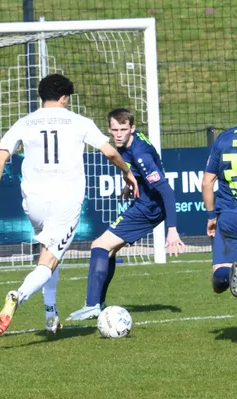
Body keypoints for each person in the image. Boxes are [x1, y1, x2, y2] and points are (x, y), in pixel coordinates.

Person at [0, 74, 138, 335]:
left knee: (48, 253)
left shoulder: (24, 122)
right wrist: (127, 172)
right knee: (49, 260)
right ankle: (18, 295)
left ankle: (50, 315)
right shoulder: (79, 121)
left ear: (42, 96)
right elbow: (110, 152)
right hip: (65, 201)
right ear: (64, 98)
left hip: (33, 202)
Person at [67, 108, 185, 321]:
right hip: (144, 202)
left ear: (133, 128)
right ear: (109, 129)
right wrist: (129, 183)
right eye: (114, 130)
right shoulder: (128, 143)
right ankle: (98, 303)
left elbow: (167, 191)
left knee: (99, 246)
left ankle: (92, 305)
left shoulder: (141, 154)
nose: (118, 134)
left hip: (149, 208)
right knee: (109, 250)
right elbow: (132, 167)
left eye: (123, 130)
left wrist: (172, 229)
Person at [202, 126, 237, 296]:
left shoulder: (224, 138)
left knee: (219, 277)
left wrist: (211, 217)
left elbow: (207, 183)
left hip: (229, 217)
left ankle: (228, 275)